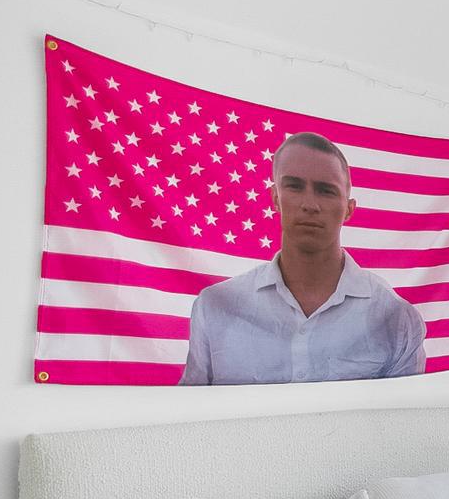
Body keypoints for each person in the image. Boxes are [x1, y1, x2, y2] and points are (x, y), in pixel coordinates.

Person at [178, 132, 425, 384]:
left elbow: (405, 421)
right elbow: (192, 417)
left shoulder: (394, 318)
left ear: (349, 209)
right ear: (275, 197)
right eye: (294, 186)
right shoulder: (216, 308)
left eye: (326, 191)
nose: (309, 204)